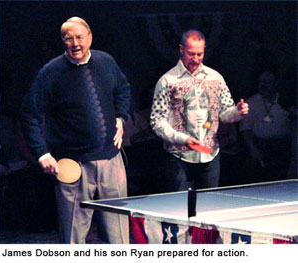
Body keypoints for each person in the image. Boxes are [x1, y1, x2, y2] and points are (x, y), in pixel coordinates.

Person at [20, 17, 131, 244]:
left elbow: (123, 89)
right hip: (74, 166)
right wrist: (42, 153)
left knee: (120, 237)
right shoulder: (50, 72)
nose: (75, 43)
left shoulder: (106, 61)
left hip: (112, 160)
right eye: (68, 38)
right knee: (73, 240)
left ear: (89, 38)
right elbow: (29, 113)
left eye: (79, 37)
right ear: (63, 41)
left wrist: (120, 117)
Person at [150, 30, 249, 191]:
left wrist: (237, 112)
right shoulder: (167, 81)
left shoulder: (215, 78)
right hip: (179, 156)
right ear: (181, 49)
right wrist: (183, 139)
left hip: (210, 154)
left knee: (208, 207)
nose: (195, 59)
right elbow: (157, 121)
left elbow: (224, 115)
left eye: (199, 54)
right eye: (191, 54)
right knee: (179, 208)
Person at [239, 70, 291, 183]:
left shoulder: (286, 101)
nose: (263, 85)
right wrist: (252, 148)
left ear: (275, 83)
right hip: (260, 146)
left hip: (281, 147)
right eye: (261, 82)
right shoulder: (252, 102)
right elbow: (245, 129)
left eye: (267, 82)